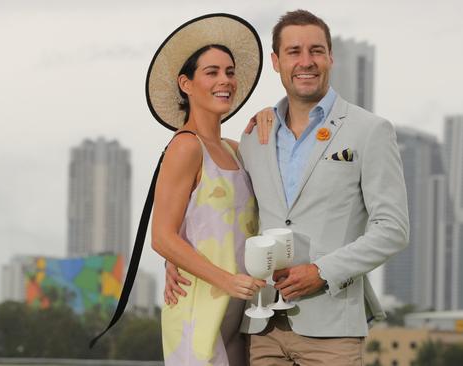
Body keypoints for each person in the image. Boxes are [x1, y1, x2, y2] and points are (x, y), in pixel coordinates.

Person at [166, 9, 410, 365]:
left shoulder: (370, 131)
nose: (306, 61)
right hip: (261, 328)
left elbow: (393, 230)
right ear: (277, 62)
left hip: (333, 330)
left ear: (330, 57)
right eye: (294, 52)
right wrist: (176, 256)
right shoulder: (253, 139)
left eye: (316, 51)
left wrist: (322, 272)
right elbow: (224, 208)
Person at [147, 14, 267, 366]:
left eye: (229, 72)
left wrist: (268, 118)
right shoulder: (185, 147)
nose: (225, 80)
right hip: (199, 308)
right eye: (211, 72)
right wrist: (227, 280)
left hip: (237, 312)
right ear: (186, 83)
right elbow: (162, 237)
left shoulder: (234, 149)